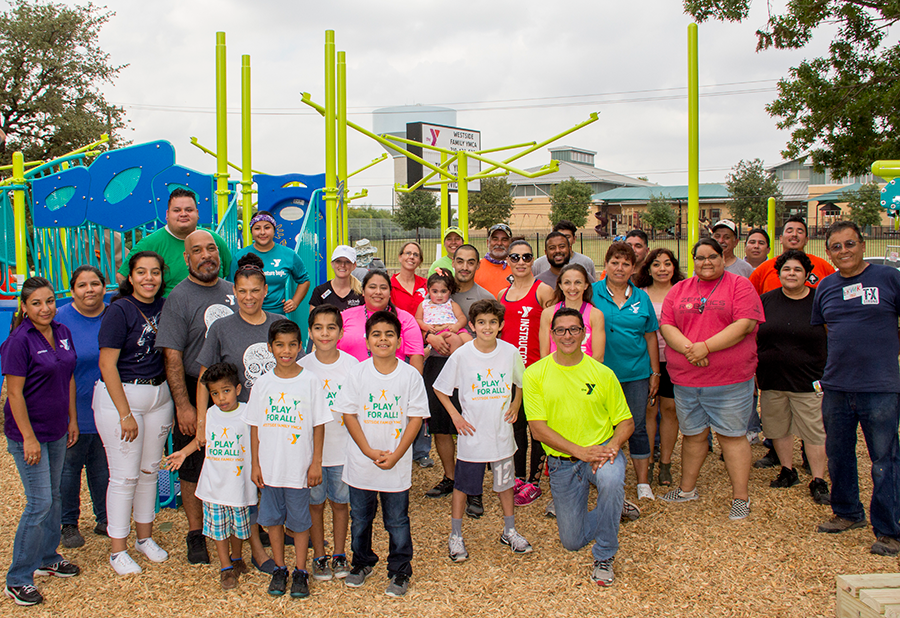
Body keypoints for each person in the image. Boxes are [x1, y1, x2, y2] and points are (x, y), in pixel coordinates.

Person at [525, 307, 634, 586]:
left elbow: (626, 422)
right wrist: (580, 451)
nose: (567, 335)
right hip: (563, 462)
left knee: (610, 481)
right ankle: (613, 509)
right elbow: (538, 430)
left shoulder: (603, 373)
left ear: (584, 333)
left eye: (574, 329)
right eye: (560, 330)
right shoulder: (535, 374)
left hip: (601, 454)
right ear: (552, 334)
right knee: (571, 542)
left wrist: (612, 446)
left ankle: (605, 555)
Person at [811, 221, 900, 556]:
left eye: (850, 244)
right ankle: (847, 513)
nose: (843, 251)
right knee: (839, 455)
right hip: (836, 387)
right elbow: (825, 334)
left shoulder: (888, 279)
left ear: (862, 245)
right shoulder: (827, 287)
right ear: (828, 252)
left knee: (885, 460)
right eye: (836, 246)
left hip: (880, 387)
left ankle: (889, 530)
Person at [659, 238, 764, 519]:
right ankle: (686, 489)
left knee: (732, 437)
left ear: (722, 256)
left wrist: (706, 347)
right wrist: (691, 350)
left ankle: (741, 498)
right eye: (701, 257)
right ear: (693, 260)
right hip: (687, 380)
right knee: (693, 436)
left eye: (713, 256)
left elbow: (745, 325)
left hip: (728, 380)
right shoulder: (679, 289)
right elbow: (667, 325)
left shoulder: (740, 285)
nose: (707, 262)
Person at [333, 310, 430, 598]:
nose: (383, 339)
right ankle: (362, 562)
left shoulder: (410, 375)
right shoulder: (357, 372)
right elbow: (348, 413)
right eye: (376, 334)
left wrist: (399, 454)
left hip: (396, 466)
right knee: (360, 519)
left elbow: (415, 418)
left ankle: (400, 569)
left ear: (399, 340)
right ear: (366, 340)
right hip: (361, 464)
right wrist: (366, 450)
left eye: (389, 334)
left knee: (397, 520)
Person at [155, 229, 237, 565]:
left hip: (233, 387)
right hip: (193, 386)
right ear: (186, 258)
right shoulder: (179, 297)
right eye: (198, 251)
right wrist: (184, 405)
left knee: (236, 456)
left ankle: (242, 525)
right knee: (192, 464)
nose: (207, 256)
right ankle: (195, 532)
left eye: (212, 249)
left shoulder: (234, 291)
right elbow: (172, 356)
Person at [194, 252, 278, 572]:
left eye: (254, 290)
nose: (248, 297)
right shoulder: (221, 327)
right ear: (235, 293)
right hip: (236, 425)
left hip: (274, 421)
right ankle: (255, 550)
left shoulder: (277, 325)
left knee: (268, 483)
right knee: (242, 484)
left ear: (265, 291)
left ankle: (270, 538)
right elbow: (205, 378)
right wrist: (203, 423)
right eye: (242, 291)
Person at [1, 277, 80, 606]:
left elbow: (69, 376)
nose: (45, 308)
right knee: (39, 504)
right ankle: (18, 576)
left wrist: (72, 419)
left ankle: (48, 555)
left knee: (55, 498)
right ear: (24, 306)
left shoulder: (61, 332)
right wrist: (29, 437)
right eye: (36, 303)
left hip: (58, 430)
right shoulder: (20, 341)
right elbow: (14, 393)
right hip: (29, 436)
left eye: (49, 301)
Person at [94, 251, 173, 574]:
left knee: (149, 471)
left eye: (154, 272)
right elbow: (106, 363)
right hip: (123, 396)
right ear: (129, 276)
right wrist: (124, 413)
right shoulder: (119, 310)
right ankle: (117, 548)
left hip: (158, 395)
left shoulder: (166, 306)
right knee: (124, 475)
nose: (149, 278)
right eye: (141, 272)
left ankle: (144, 538)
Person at [434, 299, 530, 561]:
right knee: (463, 486)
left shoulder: (510, 352)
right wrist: (455, 416)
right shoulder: (462, 355)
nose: (487, 327)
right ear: (473, 326)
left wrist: (516, 402)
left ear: (501, 325)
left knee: (505, 485)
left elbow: (520, 381)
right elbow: (440, 389)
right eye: (481, 322)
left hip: (500, 434)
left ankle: (509, 530)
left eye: (492, 322)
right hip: (472, 436)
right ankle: (456, 536)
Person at [244, 319, 329, 598]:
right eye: (280, 344)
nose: (286, 350)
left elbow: (319, 425)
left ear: (300, 346)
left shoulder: (310, 381)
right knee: (273, 520)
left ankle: (301, 570)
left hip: (299, 469)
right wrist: (255, 464)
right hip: (270, 469)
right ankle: (280, 568)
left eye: (292, 344)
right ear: (270, 348)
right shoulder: (263, 384)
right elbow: (255, 426)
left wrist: (316, 462)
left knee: (301, 522)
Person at [164, 363, 256, 590]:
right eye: (215, 393)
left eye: (226, 391)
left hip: (239, 485)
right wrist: (183, 454)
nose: (221, 398)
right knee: (218, 528)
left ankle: (236, 558)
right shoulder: (209, 415)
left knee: (238, 527)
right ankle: (225, 567)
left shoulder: (247, 412)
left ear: (237, 389)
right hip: (214, 484)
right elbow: (200, 441)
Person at [422, 245, 493, 514]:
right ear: (453, 263)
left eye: (471, 262)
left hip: (469, 371)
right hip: (437, 366)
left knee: (469, 427)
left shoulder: (483, 296)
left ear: (477, 265)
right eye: (460, 261)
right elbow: (414, 324)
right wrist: (430, 337)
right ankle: (451, 478)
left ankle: (472, 487)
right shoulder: (433, 296)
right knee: (440, 427)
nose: (465, 266)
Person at [756, 250, 830, 504]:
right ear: (779, 274)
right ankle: (788, 470)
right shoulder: (766, 301)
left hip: (808, 380)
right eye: (786, 269)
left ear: (807, 275)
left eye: (797, 270)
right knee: (779, 428)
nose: (791, 274)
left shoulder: (819, 302)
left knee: (814, 432)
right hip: (772, 378)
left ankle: (818, 479)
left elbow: (831, 335)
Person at [592, 242, 660, 501]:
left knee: (637, 425)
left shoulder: (641, 297)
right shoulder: (592, 292)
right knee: (602, 427)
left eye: (625, 264)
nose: (619, 268)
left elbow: (650, 335)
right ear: (606, 264)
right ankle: (603, 477)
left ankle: (643, 482)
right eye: (614, 262)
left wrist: (655, 372)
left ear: (634, 267)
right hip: (600, 373)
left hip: (635, 373)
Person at [297, 306, 360, 582]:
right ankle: (319, 554)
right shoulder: (301, 367)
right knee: (314, 504)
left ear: (341, 332)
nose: (325, 333)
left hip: (343, 450)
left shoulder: (352, 366)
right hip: (311, 455)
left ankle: (338, 553)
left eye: (331, 327)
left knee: (340, 503)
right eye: (319, 328)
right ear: (309, 332)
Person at [498, 239, 556, 506]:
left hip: (537, 371)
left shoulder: (543, 290)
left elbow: (555, 329)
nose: (520, 262)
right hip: (511, 373)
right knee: (516, 426)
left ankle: (534, 481)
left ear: (533, 260)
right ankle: (519, 476)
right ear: (507, 260)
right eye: (515, 257)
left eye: (526, 257)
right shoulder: (502, 294)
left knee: (538, 428)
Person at [56, 266, 109, 548]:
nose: (90, 290)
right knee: (70, 467)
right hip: (72, 408)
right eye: (82, 285)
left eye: (95, 284)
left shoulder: (113, 314)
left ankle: (105, 517)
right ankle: (68, 523)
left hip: (108, 406)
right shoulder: (60, 320)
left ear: (104, 286)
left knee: (102, 466)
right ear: (72, 290)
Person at [116, 188, 232, 296]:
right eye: (177, 210)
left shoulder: (213, 240)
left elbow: (228, 271)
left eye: (189, 210)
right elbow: (122, 276)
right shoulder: (149, 244)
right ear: (167, 215)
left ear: (197, 213)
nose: (183, 214)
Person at [634, 248, 685, 487]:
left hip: (676, 361)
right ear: (648, 268)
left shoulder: (684, 292)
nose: (662, 269)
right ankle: (650, 461)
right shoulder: (639, 294)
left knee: (671, 410)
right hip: (648, 361)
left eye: (667, 263)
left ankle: (665, 463)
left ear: (674, 266)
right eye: (656, 264)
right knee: (649, 412)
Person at [336, 270, 425, 373]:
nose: (378, 292)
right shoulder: (345, 316)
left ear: (390, 293)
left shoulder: (405, 319)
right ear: (363, 291)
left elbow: (416, 356)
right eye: (372, 287)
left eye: (383, 288)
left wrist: (413, 384)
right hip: (350, 381)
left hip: (392, 383)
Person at [232, 211, 310, 315]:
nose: (262, 232)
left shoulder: (289, 255)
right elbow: (231, 285)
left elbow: (304, 280)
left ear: (274, 230)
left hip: (278, 315)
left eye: (267, 227)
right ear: (251, 232)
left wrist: (295, 302)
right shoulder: (240, 256)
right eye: (257, 228)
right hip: (248, 315)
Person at [749, 215, 835, 295]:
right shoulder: (763, 270)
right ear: (781, 238)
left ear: (806, 240)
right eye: (789, 231)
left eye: (800, 232)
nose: (794, 235)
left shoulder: (823, 267)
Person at [539, 264, 605, 362]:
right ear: (560, 285)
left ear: (586, 285)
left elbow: (598, 357)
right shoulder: (548, 314)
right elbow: (544, 355)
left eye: (578, 282)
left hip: (585, 375)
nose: (572, 288)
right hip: (557, 374)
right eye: (567, 283)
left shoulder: (595, 315)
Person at [415, 272, 471, 355]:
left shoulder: (451, 304)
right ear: (428, 291)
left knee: (470, 341)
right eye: (435, 291)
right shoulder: (424, 304)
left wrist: (457, 326)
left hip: (454, 328)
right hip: (436, 332)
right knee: (455, 340)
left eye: (443, 291)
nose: (439, 295)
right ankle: (455, 364)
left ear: (449, 291)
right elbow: (417, 319)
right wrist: (425, 326)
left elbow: (462, 318)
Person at [308, 245, 363, 312]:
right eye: (338, 261)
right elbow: (313, 320)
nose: (342, 265)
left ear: (354, 266)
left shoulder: (362, 292)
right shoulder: (320, 291)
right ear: (332, 264)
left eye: (347, 262)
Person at [475, 223, 514, 296]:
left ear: (510, 243)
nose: (499, 243)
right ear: (487, 242)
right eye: (495, 239)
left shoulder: (518, 268)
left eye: (504, 240)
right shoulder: (476, 268)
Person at [391, 241, 428, 316]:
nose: (411, 257)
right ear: (400, 257)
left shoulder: (426, 284)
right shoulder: (390, 286)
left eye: (416, 255)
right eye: (408, 253)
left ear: (420, 261)